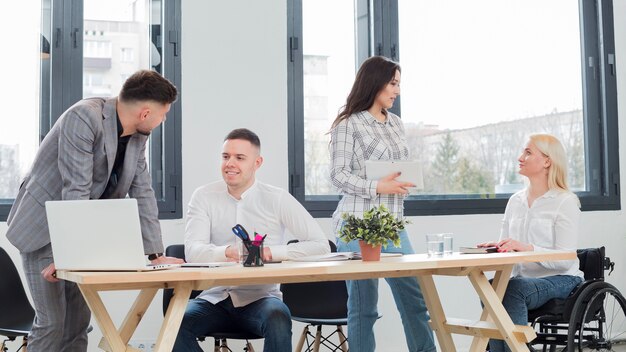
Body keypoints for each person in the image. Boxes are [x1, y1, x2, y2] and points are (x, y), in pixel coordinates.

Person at [5, 70, 184, 352]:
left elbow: (143, 193)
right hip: (44, 227)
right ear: (145, 112)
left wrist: (156, 254)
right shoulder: (85, 117)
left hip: (79, 233)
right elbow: (75, 189)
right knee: (53, 323)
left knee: (78, 322)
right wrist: (69, 257)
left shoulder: (138, 136)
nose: (163, 120)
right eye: (163, 114)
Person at [173, 128, 330, 352]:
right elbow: (193, 251)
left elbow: (320, 245)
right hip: (216, 298)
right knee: (176, 321)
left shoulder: (277, 198)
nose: (230, 164)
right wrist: (227, 251)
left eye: (240, 158)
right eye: (226, 157)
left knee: (277, 317)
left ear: (257, 163)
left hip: (262, 299)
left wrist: (270, 252)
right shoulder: (203, 196)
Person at [329, 56, 436, 352]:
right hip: (357, 226)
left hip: (393, 227)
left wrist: (402, 184)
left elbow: (397, 167)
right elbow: (337, 175)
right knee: (363, 308)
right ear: (374, 82)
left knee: (415, 302)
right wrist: (378, 186)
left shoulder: (396, 124)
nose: (397, 90)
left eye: (398, 84)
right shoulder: (348, 124)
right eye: (393, 83)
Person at [478, 134, 583, 352]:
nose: (520, 157)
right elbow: (508, 245)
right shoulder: (515, 201)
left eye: (528, 152)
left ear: (547, 161)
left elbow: (565, 259)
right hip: (522, 279)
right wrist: (497, 247)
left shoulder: (565, 202)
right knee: (491, 289)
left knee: (512, 289)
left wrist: (526, 248)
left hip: (562, 279)